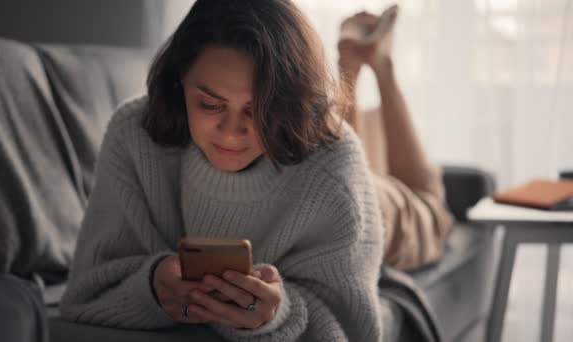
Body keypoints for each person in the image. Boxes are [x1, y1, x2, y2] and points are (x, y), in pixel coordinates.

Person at [60, 1, 384, 341]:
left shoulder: (334, 164)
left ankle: (380, 64)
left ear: (289, 101)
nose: (231, 132)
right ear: (179, 82)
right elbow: (83, 294)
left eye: (258, 109)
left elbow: (355, 329)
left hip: (376, 202)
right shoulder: (133, 134)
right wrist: (152, 286)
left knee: (422, 209)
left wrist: (280, 314)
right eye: (210, 104)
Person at [337, 10, 453, 271]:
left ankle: (362, 67)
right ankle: (378, 67)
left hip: (369, 196)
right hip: (376, 204)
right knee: (431, 209)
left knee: (418, 198)